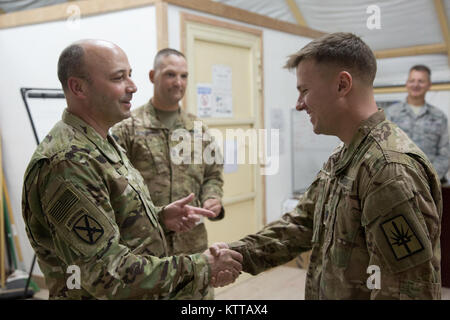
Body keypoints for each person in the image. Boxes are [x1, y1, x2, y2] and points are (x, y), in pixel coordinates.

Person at [210, 32, 442, 299]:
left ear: (342, 85)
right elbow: (302, 224)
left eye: (304, 91)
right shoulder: (346, 155)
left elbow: (407, 291)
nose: (299, 105)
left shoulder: (389, 170)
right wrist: (236, 254)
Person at [21, 39, 241, 299]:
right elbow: (106, 272)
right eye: (118, 78)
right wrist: (202, 265)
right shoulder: (69, 163)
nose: (133, 87)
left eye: (130, 76)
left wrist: (160, 218)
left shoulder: (102, 142)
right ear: (78, 87)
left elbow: (113, 219)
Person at [111, 48, 224, 283]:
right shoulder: (127, 128)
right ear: (153, 76)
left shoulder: (197, 129)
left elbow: (212, 174)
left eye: (184, 76)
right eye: (171, 74)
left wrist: (213, 197)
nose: (178, 82)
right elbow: (113, 186)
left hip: (192, 245)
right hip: (145, 249)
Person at [384, 65, 450, 182]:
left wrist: (431, 177)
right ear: (406, 84)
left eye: (421, 81)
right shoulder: (391, 113)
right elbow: (383, 148)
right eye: (412, 81)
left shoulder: (439, 116)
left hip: (430, 183)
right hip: (396, 181)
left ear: (429, 85)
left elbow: (445, 153)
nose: (415, 85)